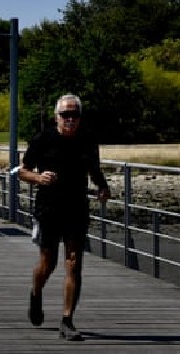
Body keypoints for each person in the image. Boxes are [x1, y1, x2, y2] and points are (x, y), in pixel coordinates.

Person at [19, 94, 111, 341]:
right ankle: (36, 292)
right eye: (65, 115)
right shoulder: (43, 139)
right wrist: (39, 178)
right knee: (48, 264)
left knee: (73, 262)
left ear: (80, 117)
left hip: (76, 207)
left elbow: (94, 169)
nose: (70, 119)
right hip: (49, 208)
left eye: (75, 115)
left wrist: (103, 187)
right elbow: (23, 171)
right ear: (56, 116)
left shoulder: (88, 140)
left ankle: (67, 320)